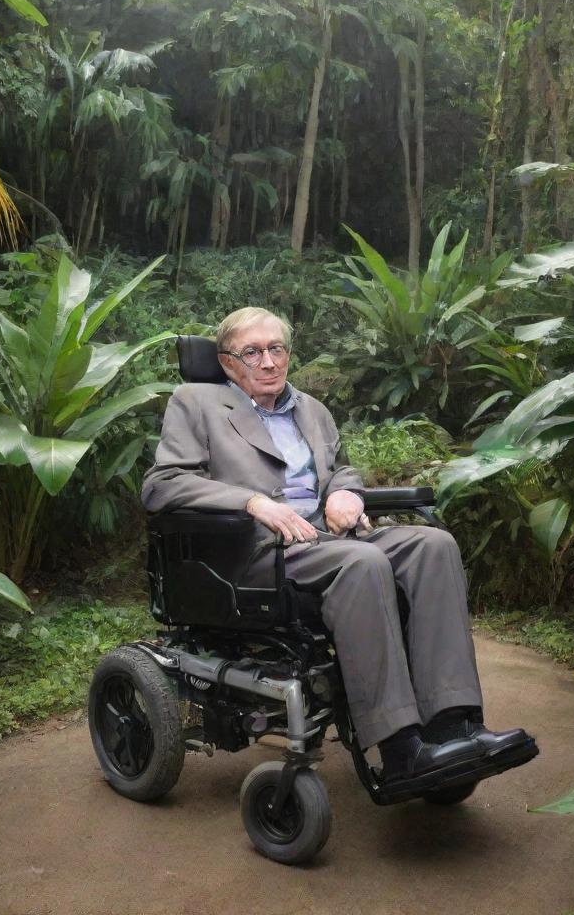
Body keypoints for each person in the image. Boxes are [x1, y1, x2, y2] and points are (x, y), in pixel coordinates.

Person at [141, 306, 529, 783]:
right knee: (362, 562)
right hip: (256, 552)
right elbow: (163, 484)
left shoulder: (311, 409)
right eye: (253, 352)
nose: (268, 362)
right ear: (226, 363)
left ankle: (455, 726)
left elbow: (339, 466)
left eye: (276, 349)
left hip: (327, 540)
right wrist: (252, 503)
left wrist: (348, 490)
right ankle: (400, 747)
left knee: (434, 546)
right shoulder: (196, 403)